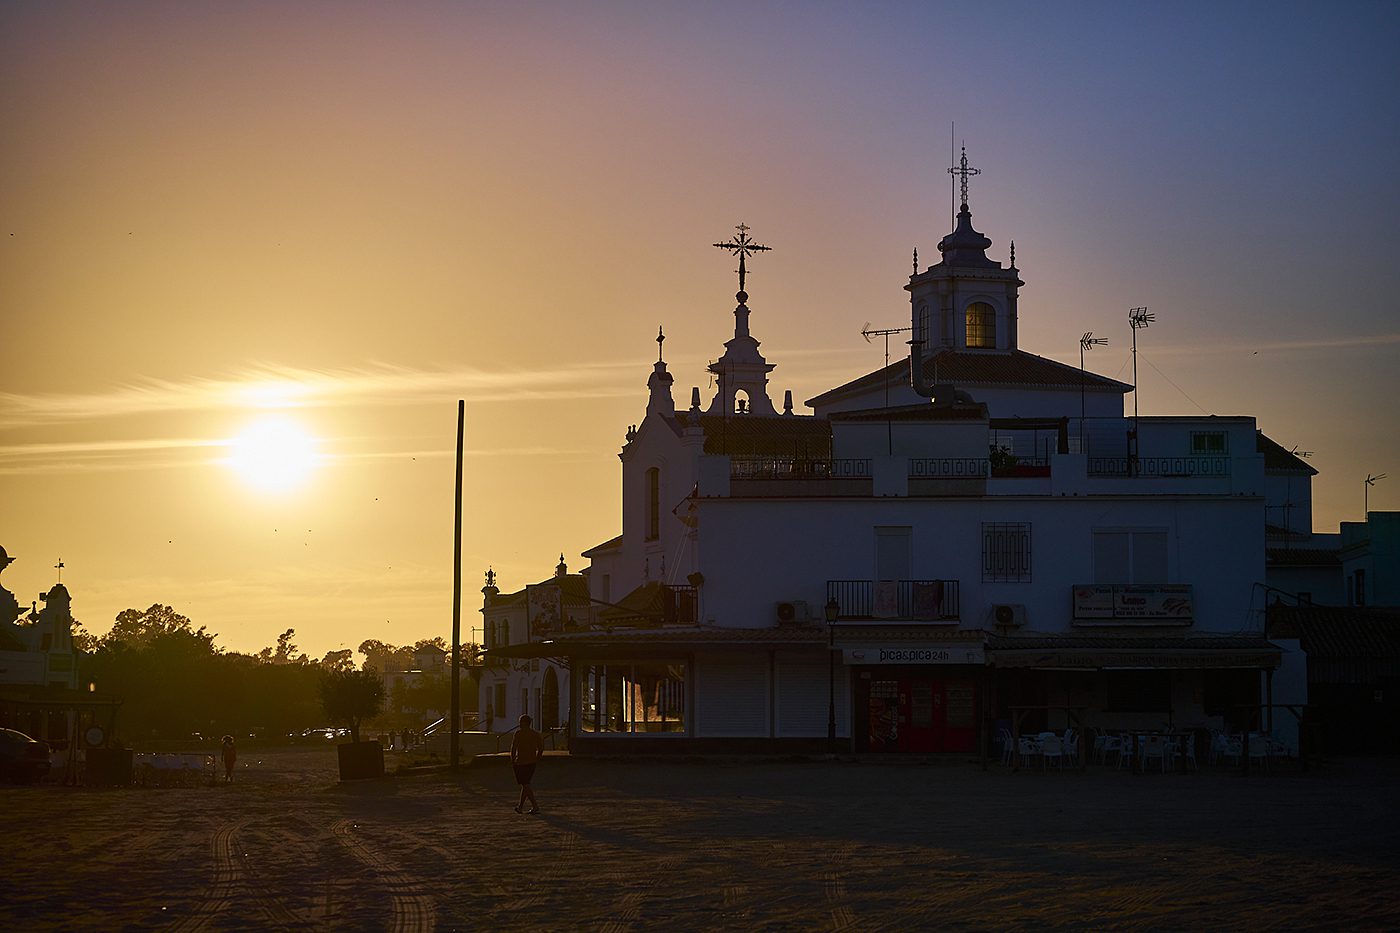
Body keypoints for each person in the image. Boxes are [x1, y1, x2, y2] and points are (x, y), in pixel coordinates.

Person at [510, 714, 544, 814]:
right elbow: (541, 748)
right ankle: (520, 806)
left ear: (524, 723)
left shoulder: (518, 734)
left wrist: (512, 759)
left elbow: (514, 747)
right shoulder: (535, 734)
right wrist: (537, 758)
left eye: (520, 722)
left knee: (525, 784)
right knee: (526, 784)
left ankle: (535, 805)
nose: (519, 724)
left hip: (521, 762)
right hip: (532, 762)